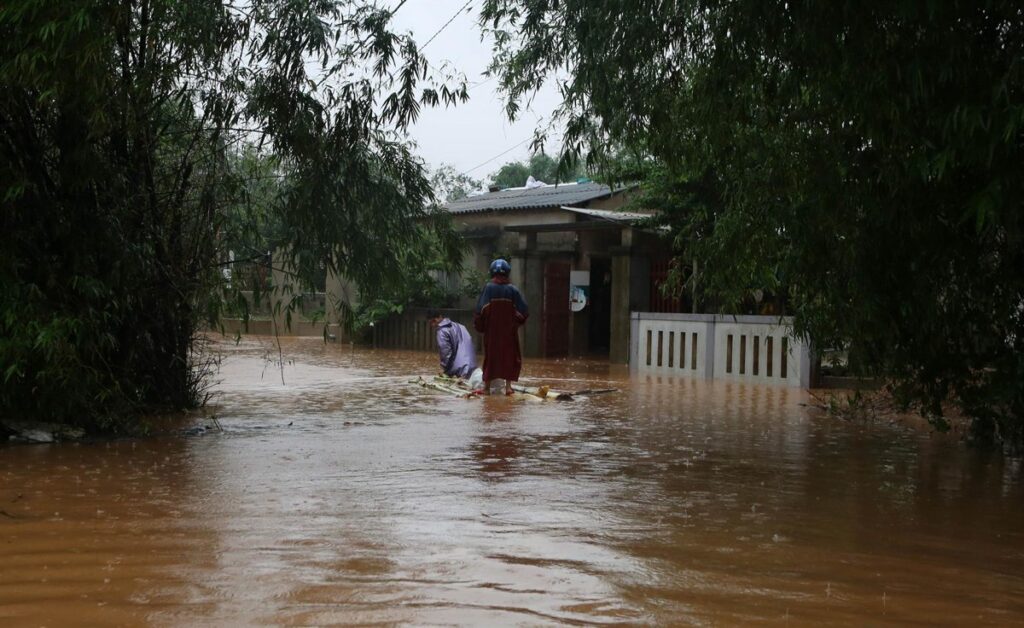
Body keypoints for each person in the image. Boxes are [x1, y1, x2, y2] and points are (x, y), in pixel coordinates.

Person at [474, 258, 529, 395]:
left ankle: (486, 388)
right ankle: (508, 387)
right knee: (509, 356)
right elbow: (524, 311)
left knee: (491, 357)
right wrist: (514, 323)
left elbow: (480, 310)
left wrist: (481, 326)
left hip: (492, 332)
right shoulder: (513, 290)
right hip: (509, 332)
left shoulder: (488, 288)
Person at [428, 310, 477, 379]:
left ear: (440, 317)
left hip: (460, 371)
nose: (433, 325)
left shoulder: (442, 331)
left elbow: (445, 352)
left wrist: (444, 368)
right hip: (473, 367)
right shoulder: (460, 326)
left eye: (433, 321)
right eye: (431, 323)